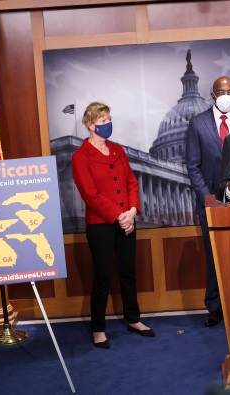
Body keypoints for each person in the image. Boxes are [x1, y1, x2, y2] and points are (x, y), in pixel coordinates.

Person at [72, 101, 154, 349]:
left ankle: (133, 319)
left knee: (128, 272)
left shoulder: (118, 150)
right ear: (90, 124)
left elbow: (131, 182)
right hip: (101, 225)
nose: (108, 124)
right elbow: (90, 194)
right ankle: (98, 328)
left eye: (109, 119)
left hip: (126, 220)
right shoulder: (80, 157)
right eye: (103, 121)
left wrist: (131, 211)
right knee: (103, 276)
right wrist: (120, 216)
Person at [186, 76, 230, 327]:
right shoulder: (197, 123)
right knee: (214, 256)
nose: (226, 96)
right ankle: (214, 306)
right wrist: (208, 198)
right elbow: (193, 165)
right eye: (222, 91)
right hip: (211, 202)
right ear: (212, 94)